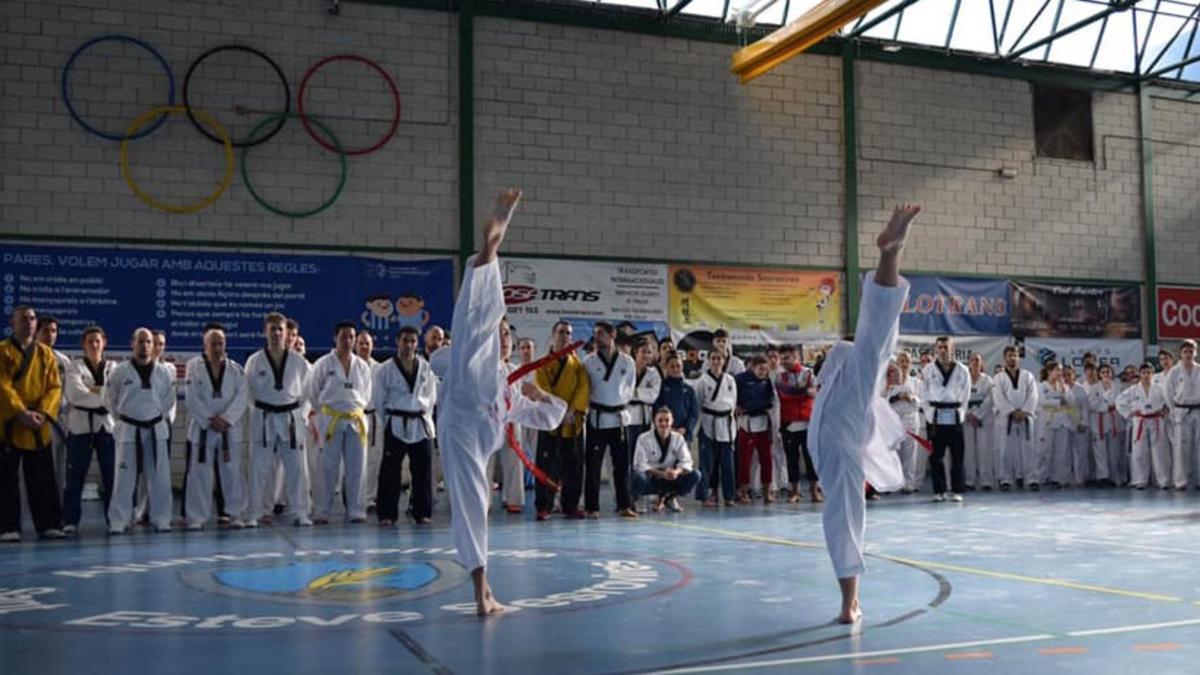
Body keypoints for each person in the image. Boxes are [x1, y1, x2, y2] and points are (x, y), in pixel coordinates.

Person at [435, 188, 568, 616]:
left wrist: (540, 392)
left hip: (481, 427)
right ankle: (490, 250)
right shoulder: (468, 356)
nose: (506, 335)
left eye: (510, 332)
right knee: (475, 331)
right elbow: (449, 353)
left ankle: (483, 591)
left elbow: (550, 417)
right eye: (504, 331)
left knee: (480, 505)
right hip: (461, 412)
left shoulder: (514, 386)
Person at [809, 204, 920, 624]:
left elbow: (878, 327)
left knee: (844, 516)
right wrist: (890, 253)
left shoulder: (859, 378)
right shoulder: (858, 371)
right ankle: (849, 601)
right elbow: (877, 328)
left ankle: (849, 601)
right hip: (833, 438)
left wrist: (890, 254)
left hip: (832, 437)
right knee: (844, 516)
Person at [0, 306, 65, 541]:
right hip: (9, 422)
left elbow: (54, 387)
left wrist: (43, 413)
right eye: (23, 319)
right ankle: (7, 526)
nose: (28, 322)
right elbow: (2, 385)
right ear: (13, 323)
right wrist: (20, 412)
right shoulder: (3, 351)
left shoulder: (45, 354)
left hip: (39, 424)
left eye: (32, 318)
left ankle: (49, 524)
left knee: (43, 477)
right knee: (6, 478)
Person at [245, 312, 313, 527]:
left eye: (280, 329)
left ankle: (301, 512)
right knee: (258, 468)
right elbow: (247, 391)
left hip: (290, 418)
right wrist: (260, 409)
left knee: (296, 469)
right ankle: (254, 512)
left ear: (287, 334)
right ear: (265, 331)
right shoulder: (254, 361)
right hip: (264, 418)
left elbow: (308, 391)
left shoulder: (298, 361)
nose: (276, 333)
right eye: (272, 329)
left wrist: (296, 412)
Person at [106, 328, 176, 533]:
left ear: (153, 346)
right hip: (128, 429)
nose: (144, 346)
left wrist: (153, 417)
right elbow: (110, 399)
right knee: (123, 478)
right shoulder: (120, 371)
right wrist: (124, 419)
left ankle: (162, 519)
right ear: (132, 344)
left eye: (148, 342)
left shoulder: (164, 372)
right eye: (140, 341)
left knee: (160, 476)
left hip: (155, 429)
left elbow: (168, 400)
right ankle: (119, 521)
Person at [306, 321, 374, 524]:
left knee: (357, 468)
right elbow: (313, 392)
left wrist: (353, 409)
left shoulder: (362, 366)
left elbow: (367, 394)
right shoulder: (323, 364)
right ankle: (321, 511)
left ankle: (356, 510)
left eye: (351, 337)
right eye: (344, 336)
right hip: (330, 418)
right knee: (327, 467)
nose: (348, 341)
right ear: (335, 338)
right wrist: (325, 413)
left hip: (355, 419)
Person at [183, 323, 249, 529]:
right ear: (205, 344)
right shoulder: (194, 368)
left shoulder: (236, 370)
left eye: (221, 342)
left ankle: (236, 514)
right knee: (199, 473)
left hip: (228, 429)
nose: (218, 346)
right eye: (213, 343)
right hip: (204, 428)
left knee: (232, 472)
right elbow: (191, 398)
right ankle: (197, 517)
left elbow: (242, 396)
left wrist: (226, 419)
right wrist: (209, 419)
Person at [372, 325, 437, 525]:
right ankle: (387, 514)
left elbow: (432, 397)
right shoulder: (385, 369)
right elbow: (378, 399)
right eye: (405, 340)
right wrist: (389, 421)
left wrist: (423, 413)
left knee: (423, 471)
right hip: (396, 422)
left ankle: (423, 512)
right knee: (390, 471)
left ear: (417, 344)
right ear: (397, 342)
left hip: (420, 422)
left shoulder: (426, 367)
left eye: (412, 341)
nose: (409, 345)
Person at [62, 326, 117, 534]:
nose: (94, 345)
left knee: (111, 475)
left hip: (106, 426)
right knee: (75, 475)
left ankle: (114, 519)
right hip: (80, 427)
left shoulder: (113, 367)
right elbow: (75, 395)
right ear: (83, 345)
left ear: (104, 343)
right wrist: (101, 396)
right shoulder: (74, 367)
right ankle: (70, 520)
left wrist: (92, 391)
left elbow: (115, 395)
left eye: (97, 341)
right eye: (90, 341)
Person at [534, 321, 589, 521]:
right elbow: (542, 390)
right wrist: (561, 411)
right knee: (547, 466)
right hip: (551, 422)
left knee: (574, 467)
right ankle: (544, 506)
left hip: (573, 422)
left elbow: (584, 388)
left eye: (568, 333)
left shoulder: (578, 365)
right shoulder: (543, 363)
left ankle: (570, 505)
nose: (565, 336)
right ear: (553, 334)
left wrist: (573, 410)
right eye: (561, 332)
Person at [582, 321, 637, 519]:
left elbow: (630, 388)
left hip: (620, 418)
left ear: (612, 335)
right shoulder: (588, 361)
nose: (596, 337)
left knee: (622, 465)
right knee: (593, 465)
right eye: (595, 334)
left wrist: (619, 402)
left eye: (600, 333)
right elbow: (584, 389)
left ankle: (625, 505)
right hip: (597, 418)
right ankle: (591, 507)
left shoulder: (627, 361)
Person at [920, 336, 971, 502]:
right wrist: (930, 414)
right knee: (936, 456)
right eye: (940, 347)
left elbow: (966, 394)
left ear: (952, 349)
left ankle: (957, 490)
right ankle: (939, 490)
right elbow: (923, 394)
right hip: (935, 415)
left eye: (946, 347)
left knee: (957, 455)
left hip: (954, 414)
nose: (942, 350)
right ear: (936, 350)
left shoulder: (962, 370)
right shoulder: (928, 370)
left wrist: (960, 413)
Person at [631, 407, 701, 513]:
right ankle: (640, 499)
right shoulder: (643, 438)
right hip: (651, 478)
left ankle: (670, 497)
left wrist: (676, 472)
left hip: (670, 477)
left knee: (695, 474)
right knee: (639, 476)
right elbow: (639, 464)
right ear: (654, 422)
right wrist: (662, 473)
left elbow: (687, 461)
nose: (664, 423)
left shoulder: (678, 438)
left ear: (672, 421)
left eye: (667, 420)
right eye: (660, 420)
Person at [776, 344, 820, 502]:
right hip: (789, 423)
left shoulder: (808, 373)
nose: (783, 361)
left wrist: (806, 391)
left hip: (808, 423)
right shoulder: (780, 376)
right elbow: (785, 393)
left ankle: (814, 490)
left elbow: (815, 392)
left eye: (786, 358)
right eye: (781, 358)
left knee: (811, 459)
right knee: (791, 459)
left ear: (796, 357)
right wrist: (804, 392)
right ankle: (794, 491)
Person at [694, 350, 738, 507]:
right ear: (708, 360)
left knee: (728, 462)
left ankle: (729, 496)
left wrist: (731, 420)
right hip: (708, 421)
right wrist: (698, 427)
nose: (716, 361)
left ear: (724, 361)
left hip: (726, 422)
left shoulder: (730, 380)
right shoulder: (702, 381)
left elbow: (733, 403)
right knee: (706, 463)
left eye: (719, 358)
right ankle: (704, 496)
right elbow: (698, 404)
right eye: (713, 358)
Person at [498, 336, 537, 514]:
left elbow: (519, 398)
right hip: (491, 420)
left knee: (514, 460)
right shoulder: (483, 368)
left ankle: (514, 499)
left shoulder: (513, 369)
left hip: (514, 419)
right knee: (487, 463)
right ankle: (484, 501)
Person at [1117, 363, 1171, 489]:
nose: (1146, 375)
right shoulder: (1133, 389)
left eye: (1148, 372)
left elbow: (1170, 400)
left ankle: (1163, 480)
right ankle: (1140, 480)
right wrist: (1130, 412)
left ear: (1152, 374)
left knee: (1160, 451)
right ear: (1140, 374)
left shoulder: (1160, 388)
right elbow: (1119, 401)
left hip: (1157, 420)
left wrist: (1166, 411)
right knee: (1139, 451)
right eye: (1143, 373)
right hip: (1140, 420)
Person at [993, 346, 1038, 491]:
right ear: (1004, 358)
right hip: (1007, 418)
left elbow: (1033, 395)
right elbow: (998, 397)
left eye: (1015, 355)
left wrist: (1024, 411)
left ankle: (1031, 478)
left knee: (1028, 449)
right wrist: (1011, 412)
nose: (1012, 358)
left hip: (1025, 417)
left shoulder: (1028, 375)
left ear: (1019, 358)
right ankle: (1005, 479)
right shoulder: (999, 377)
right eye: (1009, 356)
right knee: (1006, 449)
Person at [35, 316, 71, 491]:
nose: (50, 335)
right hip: (30, 420)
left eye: (54, 331)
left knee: (57, 468)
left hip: (56, 420)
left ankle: (56, 514)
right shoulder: (25, 356)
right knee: (29, 472)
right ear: (36, 332)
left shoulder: (63, 361)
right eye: (46, 330)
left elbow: (68, 393)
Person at [627, 339, 663, 504]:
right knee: (627, 459)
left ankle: (640, 494)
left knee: (642, 459)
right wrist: (641, 393)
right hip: (627, 419)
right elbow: (622, 392)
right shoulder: (626, 369)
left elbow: (653, 396)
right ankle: (626, 496)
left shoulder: (654, 373)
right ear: (635, 352)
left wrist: (634, 393)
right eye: (643, 351)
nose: (647, 355)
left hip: (644, 419)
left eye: (649, 352)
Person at [735, 355, 776, 503]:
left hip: (764, 424)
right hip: (746, 424)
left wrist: (759, 406)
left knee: (767, 460)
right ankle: (744, 492)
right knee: (745, 461)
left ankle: (767, 492)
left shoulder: (767, 381)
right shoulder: (740, 379)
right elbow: (736, 400)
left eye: (765, 369)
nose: (762, 372)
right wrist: (741, 407)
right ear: (752, 367)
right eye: (760, 369)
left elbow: (770, 401)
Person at [356, 331, 385, 512]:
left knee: (375, 459)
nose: (364, 347)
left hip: (375, 417)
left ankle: (370, 497)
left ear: (372, 345)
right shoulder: (350, 366)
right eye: (361, 343)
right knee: (355, 460)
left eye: (367, 343)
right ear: (355, 346)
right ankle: (354, 497)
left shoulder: (380, 369)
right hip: (355, 416)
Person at [1166, 340, 1200, 490]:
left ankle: (1199, 480)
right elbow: (1168, 393)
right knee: (1180, 448)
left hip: (1198, 411)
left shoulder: (1199, 370)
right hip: (1181, 412)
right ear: (1180, 354)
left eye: (1191, 351)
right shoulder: (1174, 371)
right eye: (1185, 351)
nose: (1188, 354)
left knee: (1199, 447)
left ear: (1195, 353)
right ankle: (1180, 481)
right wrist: (1173, 410)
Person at [884, 357, 921, 494]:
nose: (904, 364)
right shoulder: (890, 384)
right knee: (893, 453)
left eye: (907, 361)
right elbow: (885, 402)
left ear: (911, 364)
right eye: (902, 361)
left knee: (910, 454)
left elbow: (920, 401)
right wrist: (898, 397)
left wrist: (911, 398)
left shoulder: (916, 382)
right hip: (894, 422)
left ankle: (909, 483)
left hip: (910, 421)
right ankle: (893, 483)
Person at [1035, 361, 1072, 490]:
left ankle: (1056, 478)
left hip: (1062, 422)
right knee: (1044, 451)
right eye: (1057, 370)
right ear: (1049, 371)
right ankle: (1041, 477)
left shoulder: (1063, 387)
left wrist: (1063, 389)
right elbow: (1042, 401)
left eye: (1060, 370)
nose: (1059, 373)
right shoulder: (1041, 386)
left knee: (1060, 452)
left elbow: (1070, 401)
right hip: (1047, 422)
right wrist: (1058, 402)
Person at [1088, 363, 1124, 487]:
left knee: (1114, 452)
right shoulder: (1094, 388)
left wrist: (1113, 406)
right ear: (1099, 374)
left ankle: (1114, 477)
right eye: (1103, 372)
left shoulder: (1117, 387)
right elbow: (1092, 404)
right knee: (1100, 452)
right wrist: (1106, 407)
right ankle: (1102, 477)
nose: (1106, 374)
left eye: (1108, 372)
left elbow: (1121, 401)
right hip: (1099, 421)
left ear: (1112, 373)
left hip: (1114, 422)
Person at [963, 353, 995, 490]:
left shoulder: (988, 381)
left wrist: (977, 415)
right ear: (969, 363)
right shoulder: (963, 380)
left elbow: (990, 400)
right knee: (969, 451)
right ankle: (970, 480)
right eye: (973, 360)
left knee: (984, 450)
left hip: (983, 419)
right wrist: (967, 415)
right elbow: (960, 399)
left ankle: (986, 480)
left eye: (978, 360)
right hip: (967, 420)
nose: (975, 362)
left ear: (981, 363)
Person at [655, 354, 698, 444]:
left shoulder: (689, 390)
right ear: (667, 367)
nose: (675, 369)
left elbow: (694, 413)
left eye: (678, 366)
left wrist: (686, 428)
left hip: (684, 435)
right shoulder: (661, 388)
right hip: (665, 433)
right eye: (672, 366)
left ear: (682, 367)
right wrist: (667, 427)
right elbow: (656, 409)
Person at [1062, 366, 1092, 487]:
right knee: (1064, 452)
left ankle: (1080, 478)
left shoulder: (1081, 389)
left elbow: (1085, 408)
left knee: (1080, 452)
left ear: (1074, 375)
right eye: (1064, 375)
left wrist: (1084, 422)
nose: (1067, 377)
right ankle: (1065, 478)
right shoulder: (1059, 388)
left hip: (1078, 422)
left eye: (1069, 374)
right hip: (1063, 423)